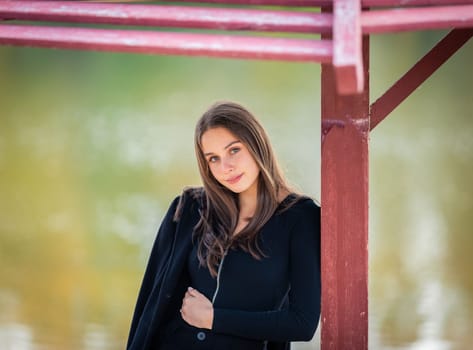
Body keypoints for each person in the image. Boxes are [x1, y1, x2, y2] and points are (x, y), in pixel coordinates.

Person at [126, 101, 321, 350]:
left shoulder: (300, 218)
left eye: (233, 151)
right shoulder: (190, 208)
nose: (225, 167)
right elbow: (150, 306)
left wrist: (214, 319)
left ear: (256, 144)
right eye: (213, 158)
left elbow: (302, 323)